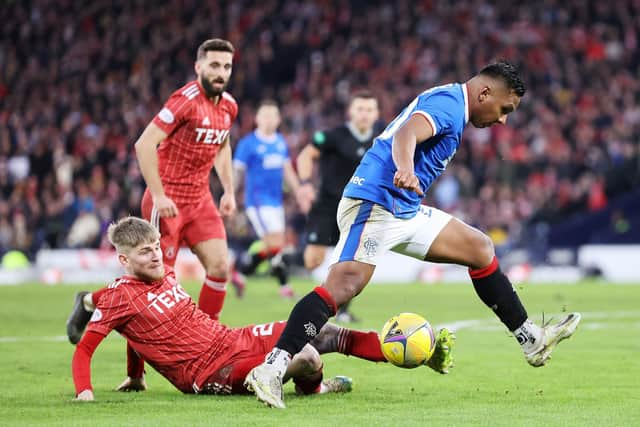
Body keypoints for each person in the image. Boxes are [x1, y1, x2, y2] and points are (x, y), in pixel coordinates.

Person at [244, 61, 582, 409]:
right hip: (374, 203)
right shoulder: (450, 108)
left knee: (480, 248)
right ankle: (272, 368)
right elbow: (407, 133)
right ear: (485, 93)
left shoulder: (452, 101)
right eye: (504, 109)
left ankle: (530, 339)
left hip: (403, 208)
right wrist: (405, 169)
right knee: (343, 286)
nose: (502, 120)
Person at [69, 216, 455, 403]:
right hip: (205, 371)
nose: (155, 255)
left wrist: (135, 377)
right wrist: (84, 392)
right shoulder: (119, 296)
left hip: (229, 340)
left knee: (321, 331)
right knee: (305, 355)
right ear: (123, 260)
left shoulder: (166, 274)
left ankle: (410, 356)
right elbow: (87, 347)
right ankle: (317, 386)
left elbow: (140, 333)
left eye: (156, 247)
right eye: (144, 252)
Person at [67, 39, 241, 344]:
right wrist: (159, 195)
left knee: (219, 267)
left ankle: (208, 338)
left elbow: (222, 146)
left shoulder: (229, 106)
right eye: (214, 65)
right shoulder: (184, 101)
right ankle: (90, 303)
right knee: (153, 283)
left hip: (201, 201)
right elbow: (144, 144)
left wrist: (228, 190)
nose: (221, 72)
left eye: (226, 67)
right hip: (168, 201)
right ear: (198, 67)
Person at [297, 90, 380, 322]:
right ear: (351, 112)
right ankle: (283, 261)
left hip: (358, 209)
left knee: (352, 261)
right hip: (327, 206)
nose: (364, 114)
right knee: (312, 260)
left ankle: (342, 310)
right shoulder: (334, 136)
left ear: (376, 114)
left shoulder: (381, 140)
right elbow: (305, 156)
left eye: (369, 110)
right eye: (360, 109)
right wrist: (304, 184)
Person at [232, 100, 311, 299]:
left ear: (277, 119)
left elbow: (287, 171)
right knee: (276, 242)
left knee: (274, 246)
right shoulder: (248, 144)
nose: (268, 119)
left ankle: (240, 274)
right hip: (257, 202)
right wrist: (229, 196)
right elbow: (237, 173)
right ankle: (285, 287)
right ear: (257, 119)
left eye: (272, 115)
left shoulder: (279, 142)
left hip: (276, 203)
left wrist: (299, 191)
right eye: (264, 115)